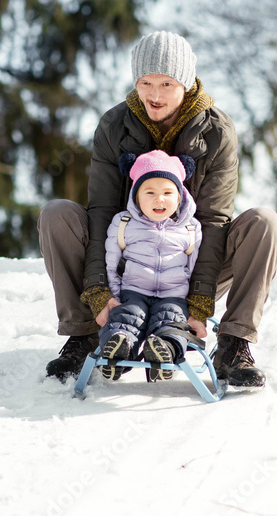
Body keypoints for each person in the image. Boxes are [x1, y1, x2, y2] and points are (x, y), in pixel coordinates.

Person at [39, 31, 277, 387]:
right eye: (145, 82)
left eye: (167, 83)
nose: (154, 95)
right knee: (57, 213)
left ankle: (233, 344)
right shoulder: (113, 125)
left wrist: (199, 302)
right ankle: (84, 336)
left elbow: (214, 220)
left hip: (188, 264)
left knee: (264, 223)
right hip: (126, 264)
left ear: (185, 83)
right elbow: (102, 212)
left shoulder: (217, 131)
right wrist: (98, 292)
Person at [96, 150, 202, 382]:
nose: (159, 199)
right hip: (135, 290)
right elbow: (111, 262)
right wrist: (112, 295)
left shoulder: (191, 228)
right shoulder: (124, 223)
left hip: (174, 294)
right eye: (150, 192)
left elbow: (195, 268)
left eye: (167, 192)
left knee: (171, 320)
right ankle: (118, 348)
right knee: (127, 316)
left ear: (179, 196)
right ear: (137, 197)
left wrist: (194, 306)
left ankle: (165, 351)